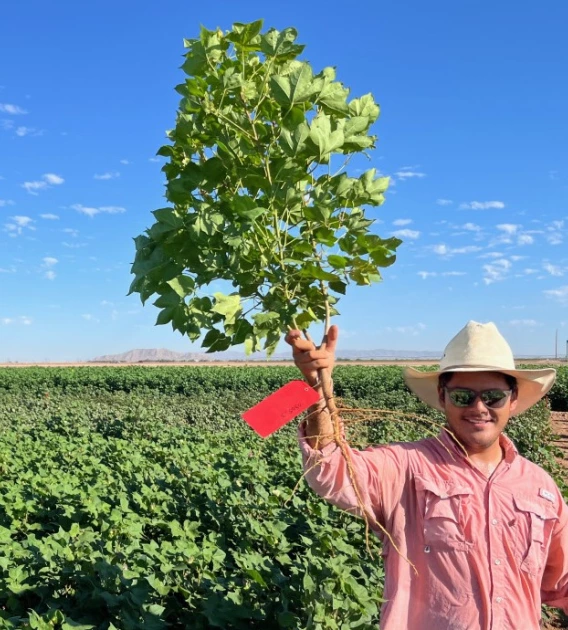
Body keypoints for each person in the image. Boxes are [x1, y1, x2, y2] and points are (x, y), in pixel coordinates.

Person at [286, 320, 568, 630]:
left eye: (493, 397)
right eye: (462, 396)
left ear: (512, 400)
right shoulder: (405, 466)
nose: (478, 407)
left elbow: (562, 582)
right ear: (442, 397)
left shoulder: (540, 487)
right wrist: (317, 387)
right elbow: (330, 470)